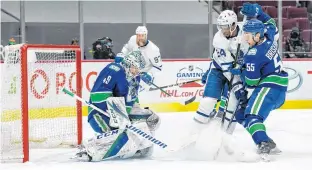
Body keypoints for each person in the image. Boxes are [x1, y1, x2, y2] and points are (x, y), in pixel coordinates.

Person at [75, 50, 160, 161]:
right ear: (128, 64)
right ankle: (90, 147)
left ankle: (141, 145)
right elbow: (97, 95)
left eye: (139, 69)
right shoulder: (114, 69)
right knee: (119, 133)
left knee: (152, 119)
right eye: (135, 68)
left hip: (121, 114)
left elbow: (132, 102)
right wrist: (117, 113)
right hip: (99, 114)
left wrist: (129, 120)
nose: (137, 72)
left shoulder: (135, 78)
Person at [230, 19, 288, 161]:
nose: (245, 39)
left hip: (270, 87)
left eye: (248, 36)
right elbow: (272, 25)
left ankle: (263, 143)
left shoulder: (253, 54)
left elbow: (251, 83)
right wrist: (257, 13)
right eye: (245, 35)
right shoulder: (268, 37)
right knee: (241, 114)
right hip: (277, 88)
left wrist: (241, 71)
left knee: (252, 116)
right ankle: (267, 141)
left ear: (257, 36)